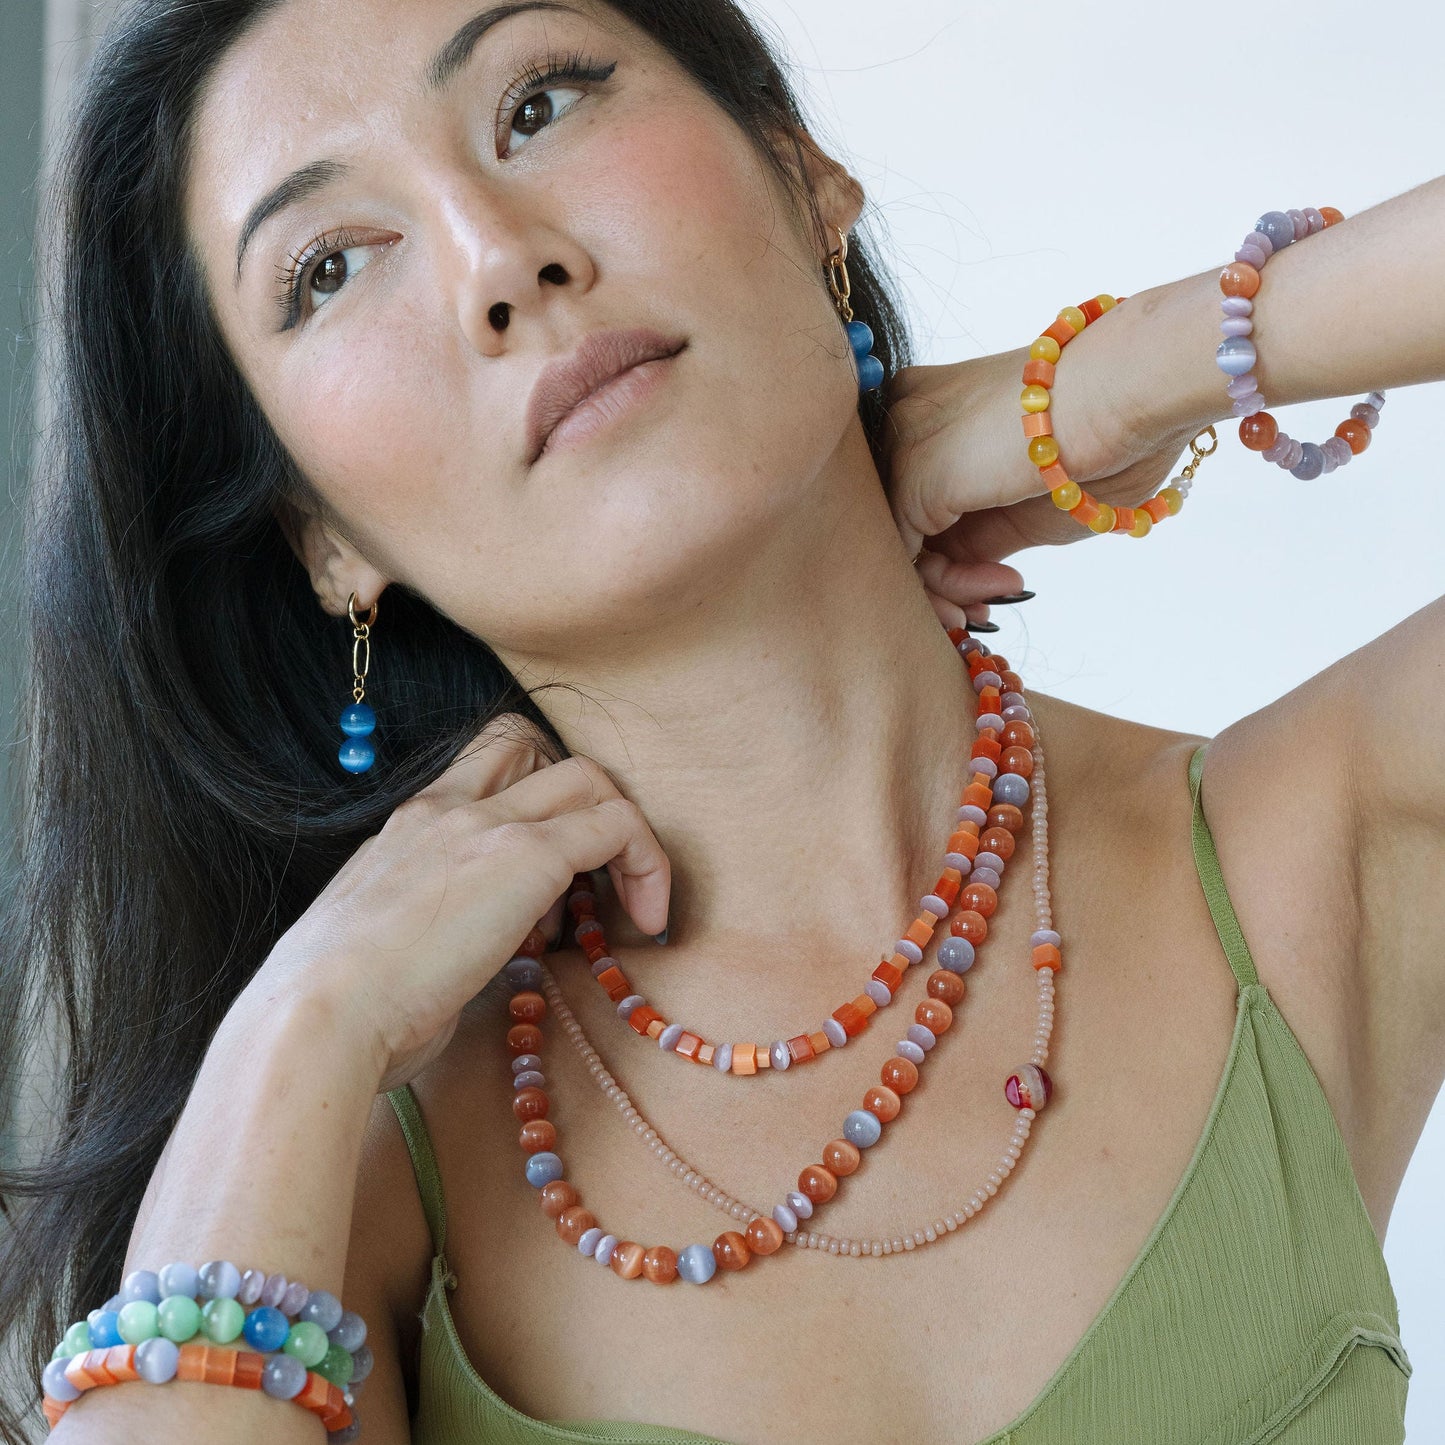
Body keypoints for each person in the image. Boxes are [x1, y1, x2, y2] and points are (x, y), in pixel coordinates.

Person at [1, 0, 1440, 1441]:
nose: (497, 258)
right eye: (328, 266)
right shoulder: (350, 1188)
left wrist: (1134, 368)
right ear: (322, 537)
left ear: (801, 173)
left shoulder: (1323, 845)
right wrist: (295, 1035)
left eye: (538, 105)